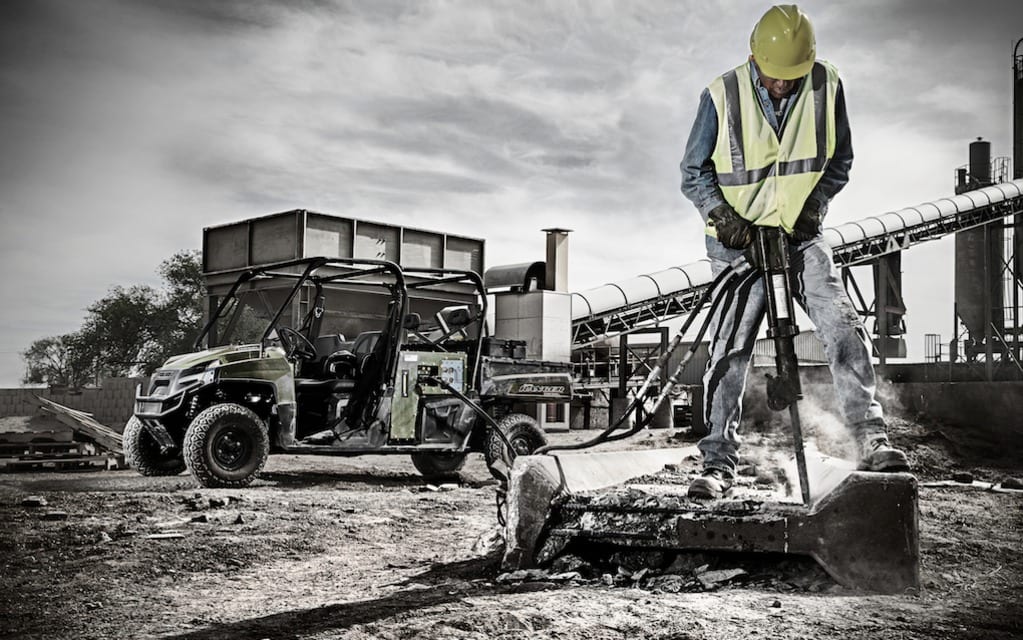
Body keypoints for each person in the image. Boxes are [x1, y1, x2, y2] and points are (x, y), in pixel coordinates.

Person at [679, 4, 909, 499]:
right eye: (774, 77)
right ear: (753, 57)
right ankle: (718, 462)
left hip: (801, 235)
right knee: (729, 351)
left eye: (792, 77)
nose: (782, 86)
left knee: (841, 327)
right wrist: (725, 220)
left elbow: (840, 160)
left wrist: (814, 209)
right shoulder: (721, 95)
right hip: (737, 244)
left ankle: (871, 439)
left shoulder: (827, 84)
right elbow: (693, 174)